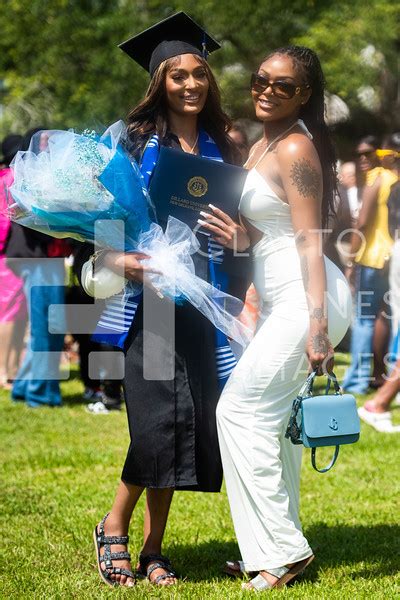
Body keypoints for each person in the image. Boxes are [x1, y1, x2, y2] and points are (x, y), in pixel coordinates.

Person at [75, 13, 249, 588]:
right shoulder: (130, 140)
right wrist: (119, 260)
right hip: (147, 300)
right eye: (178, 76)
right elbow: (103, 224)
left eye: (199, 73)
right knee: (155, 424)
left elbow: (242, 223)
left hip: (203, 298)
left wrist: (239, 239)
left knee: (186, 423)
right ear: (159, 82)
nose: (191, 85)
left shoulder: (227, 142)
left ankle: (154, 549)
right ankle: (113, 526)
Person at [203, 45, 339, 591]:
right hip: (280, 294)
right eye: (261, 79)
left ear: (303, 94)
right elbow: (274, 229)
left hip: (307, 297)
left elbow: (310, 240)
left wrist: (319, 324)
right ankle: (269, 548)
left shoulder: (297, 146)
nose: (266, 90)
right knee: (273, 427)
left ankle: (282, 551)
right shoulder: (263, 144)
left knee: (237, 411)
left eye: (283, 86)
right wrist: (242, 239)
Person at [5, 128, 69, 407]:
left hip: (40, 259)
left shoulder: (31, 174)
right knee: (47, 328)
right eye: (47, 142)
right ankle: (40, 393)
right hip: (38, 258)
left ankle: (24, 385)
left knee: (47, 325)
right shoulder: (31, 176)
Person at [343, 134, 398, 393]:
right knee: (382, 318)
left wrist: (351, 260)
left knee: (364, 319)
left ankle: (355, 381)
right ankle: (379, 376)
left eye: (370, 153)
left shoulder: (377, 178)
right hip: (390, 256)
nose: (364, 159)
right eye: (360, 154)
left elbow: (362, 223)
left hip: (372, 257)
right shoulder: (395, 179)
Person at [358, 135, 400, 432]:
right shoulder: (389, 183)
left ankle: (374, 389)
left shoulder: (386, 182)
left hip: (382, 255)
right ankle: (375, 396)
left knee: (379, 318)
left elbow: (364, 221)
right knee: (374, 318)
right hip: (384, 254)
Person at [0, 134, 27, 389]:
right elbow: (4, 221)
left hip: (9, 256)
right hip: (7, 257)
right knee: (9, 314)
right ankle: (3, 372)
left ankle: (14, 367)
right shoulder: (12, 179)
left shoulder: (3, 177)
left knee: (16, 313)